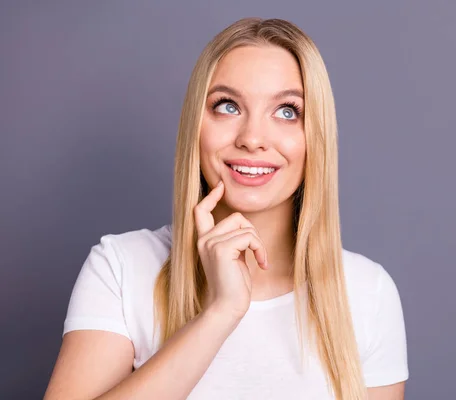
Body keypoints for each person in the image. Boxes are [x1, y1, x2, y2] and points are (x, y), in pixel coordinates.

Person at [44, 17, 408, 400]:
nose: (252, 139)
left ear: (315, 136)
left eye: (287, 111)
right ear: (195, 127)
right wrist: (220, 314)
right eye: (228, 106)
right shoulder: (121, 268)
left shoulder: (368, 293)